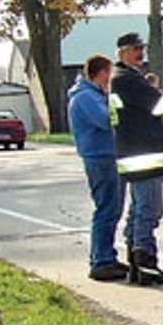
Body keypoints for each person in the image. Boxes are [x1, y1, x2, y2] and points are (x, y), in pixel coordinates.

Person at [109, 31, 163, 286]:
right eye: (135, 49)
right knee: (149, 210)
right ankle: (145, 263)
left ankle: (137, 264)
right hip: (144, 153)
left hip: (133, 152)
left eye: (142, 48)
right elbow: (159, 105)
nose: (141, 53)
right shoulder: (127, 79)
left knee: (139, 209)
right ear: (122, 52)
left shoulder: (120, 78)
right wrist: (158, 92)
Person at [68, 54, 127, 281]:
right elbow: (105, 120)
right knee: (106, 209)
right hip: (100, 157)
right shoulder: (86, 97)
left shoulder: (94, 95)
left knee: (113, 209)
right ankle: (101, 261)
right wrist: (115, 102)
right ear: (101, 73)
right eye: (109, 73)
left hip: (108, 155)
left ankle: (107, 256)